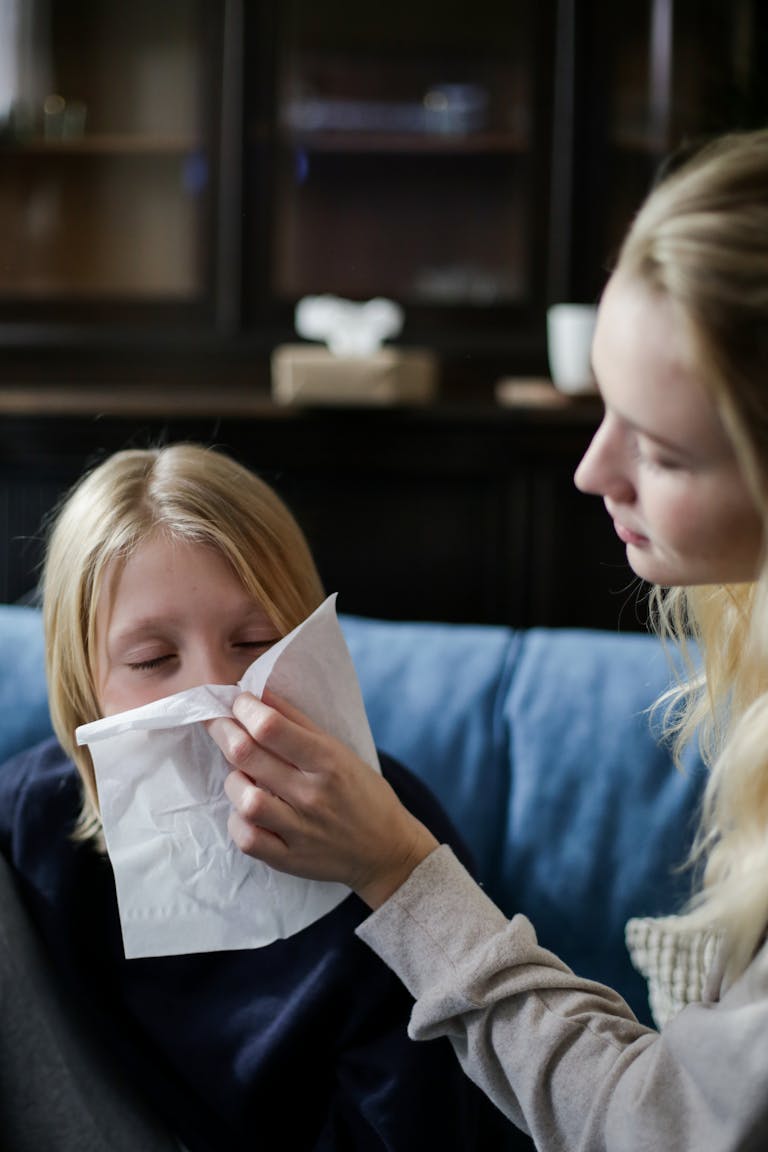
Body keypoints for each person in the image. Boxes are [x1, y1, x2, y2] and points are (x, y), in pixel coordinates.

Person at [206, 127, 768, 1150]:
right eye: (605, 408)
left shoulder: (400, 814)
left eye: (664, 449)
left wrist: (396, 869)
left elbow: (675, 1130)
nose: (593, 471)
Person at [0, 443, 508, 1151]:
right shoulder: (26, 826)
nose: (214, 699)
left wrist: (389, 873)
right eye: (152, 661)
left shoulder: (392, 831)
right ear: (82, 685)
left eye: (254, 642)